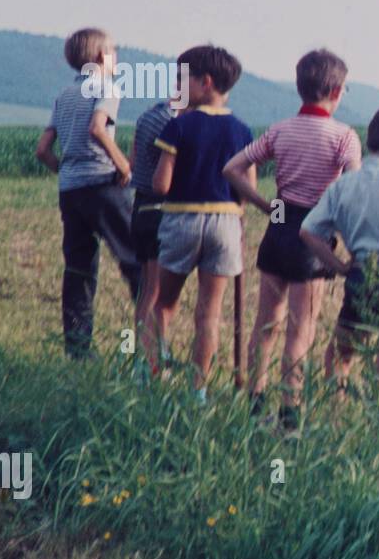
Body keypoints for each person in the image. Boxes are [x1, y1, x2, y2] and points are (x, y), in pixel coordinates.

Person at [222, 49, 362, 425]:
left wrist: (266, 205)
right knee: (301, 331)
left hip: (279, 225)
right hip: (314, 235)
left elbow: (233, 168)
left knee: (265, 324)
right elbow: (352, 188)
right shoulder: (344, 137)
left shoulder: (280, 130)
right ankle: (290, 415)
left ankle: (254, 403)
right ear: (335, 91)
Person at [144, 45, 254, 400]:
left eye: (182, 79)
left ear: (204, 82)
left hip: (181, 219)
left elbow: (161, 184)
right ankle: (198, 392)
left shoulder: (179, 125)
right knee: (209, 312)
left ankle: (151, 374)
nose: (178, 86)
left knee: (162, 304)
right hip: (225, 223)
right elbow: (248, 189)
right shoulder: (242, 131)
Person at [34, 27, 141, 358]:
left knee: (78, 268)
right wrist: (124, 166)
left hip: (70, 189)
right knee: (136, 261)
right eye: (114, 53)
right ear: (100, 57)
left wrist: (65, 170)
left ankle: (78, 349)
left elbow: (42, 150)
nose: (117, 59)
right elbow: (98, 128)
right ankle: (151, 341)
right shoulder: (107, 87)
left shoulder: (64, 95)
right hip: (101, 184)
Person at [299, 106, 379, 406]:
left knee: (340, 355)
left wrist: (338, 266)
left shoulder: (343, 184)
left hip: (359, 271)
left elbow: (308, 231)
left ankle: (335, 421)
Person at [130, 92, 183, 333]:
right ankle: (150, 360)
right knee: (156, 291)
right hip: (158, 209)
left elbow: (132, 162)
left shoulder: (146, 116)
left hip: (140, 208)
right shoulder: (170, 124)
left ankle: (136, 353)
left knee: (145, 290)